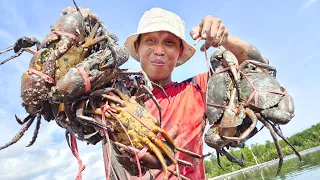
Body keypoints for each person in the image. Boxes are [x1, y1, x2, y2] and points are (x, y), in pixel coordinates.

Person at [112, 7, 269, 180]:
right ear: (137, 47)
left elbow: (260, 71)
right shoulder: (108, 95)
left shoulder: (198, 89)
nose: (159, 50)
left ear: (179, 51)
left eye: (169, 42)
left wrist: (226, 39)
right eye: (150, 40)